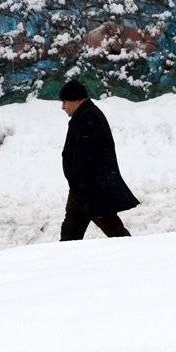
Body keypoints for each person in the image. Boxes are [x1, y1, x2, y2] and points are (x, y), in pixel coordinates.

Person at [58, 79, 139, 241]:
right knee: (71, 232)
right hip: (85, 187)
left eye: (65, 101)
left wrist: (78, 180)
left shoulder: (89, 117)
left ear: (76, 99)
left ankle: (134, 254)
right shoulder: (85, 115)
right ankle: (65, 262)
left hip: (91, 188)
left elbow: (86, 156)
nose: (63, 107)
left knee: (111, 229)